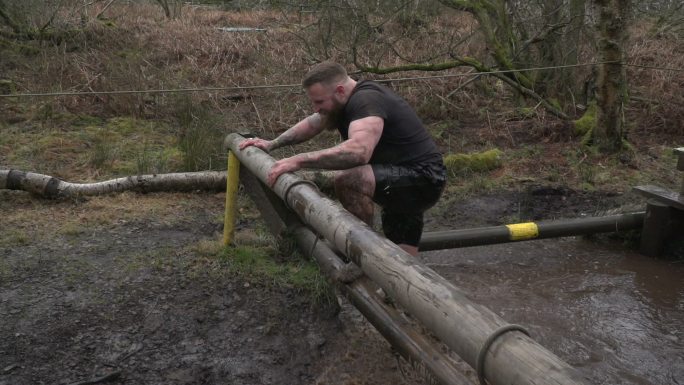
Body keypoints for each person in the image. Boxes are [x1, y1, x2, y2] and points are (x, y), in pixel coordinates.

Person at [239, 62, 445, 257]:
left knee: (350, 181)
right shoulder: (343, 102)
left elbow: (359, 151)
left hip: (422, 177)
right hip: (400, 178)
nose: (316, 108)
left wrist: (299, 160)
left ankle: (363, 252)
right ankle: (396, 286)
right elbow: (313, 123)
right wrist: (271, 143)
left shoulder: (366, 102)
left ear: (339, 90)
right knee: (402, 253)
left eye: (319, 101)